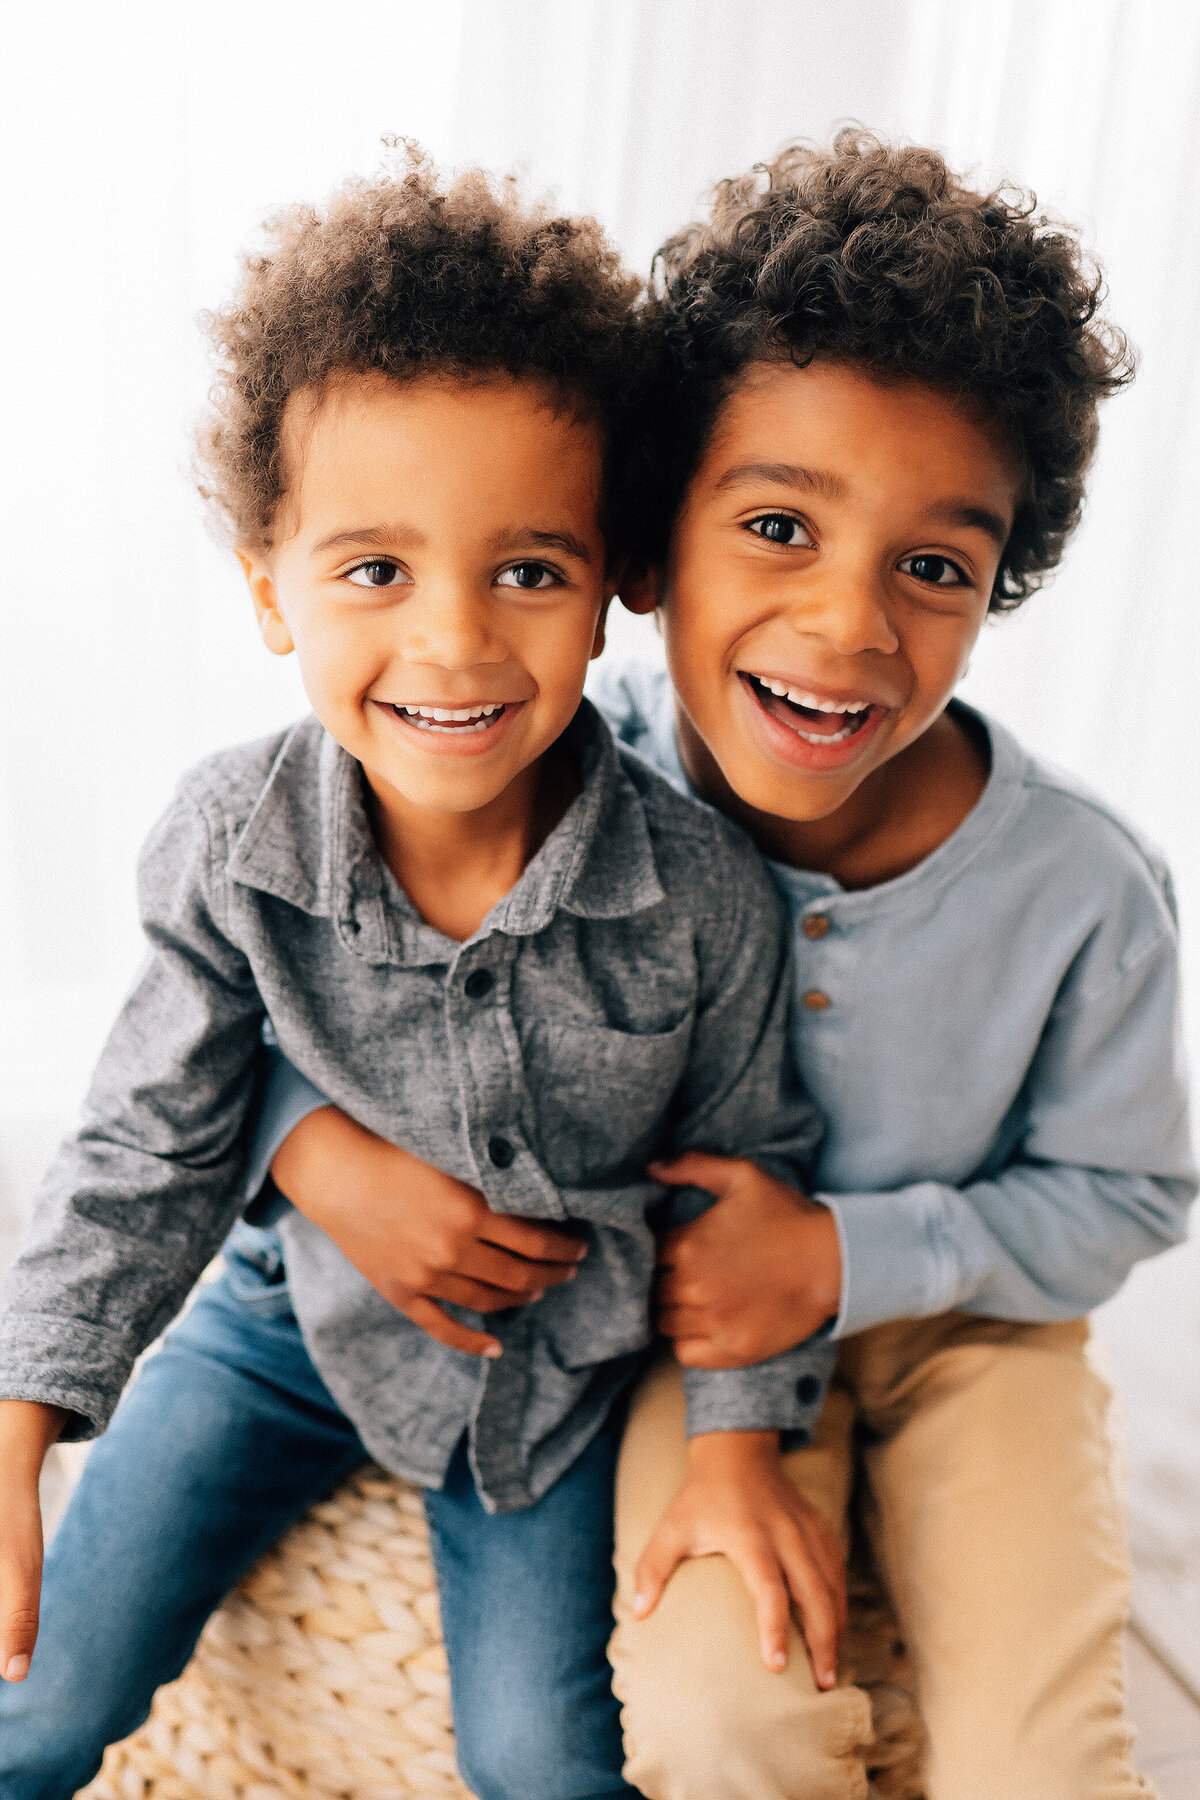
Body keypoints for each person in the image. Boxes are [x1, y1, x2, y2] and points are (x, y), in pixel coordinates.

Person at [243, 135, 1196, 1799]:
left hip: (981, 1329)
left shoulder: (1081, 889)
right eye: (776, 526)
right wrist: (312, 1156)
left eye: (935, 568)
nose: (849, 626)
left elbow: (1130, 1190)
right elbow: (293, 981)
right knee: (717, 1719)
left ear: (994, 589)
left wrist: (846, 1256)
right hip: (684, 1338)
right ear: (645, 549)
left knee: (1045, 1758)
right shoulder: (538, 779)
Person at [0, 150, 847, 1800]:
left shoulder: (702, 893)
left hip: (545, 1384)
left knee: (539, 1763)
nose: (456, 641)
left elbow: (750, 1180)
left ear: (611, 586)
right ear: (270, 589)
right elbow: (143, 1142)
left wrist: (740, 1439)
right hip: (276, 1326)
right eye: (374, 569)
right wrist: (25, 1414)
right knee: (38, 1698)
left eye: (528, 569)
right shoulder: (230, 845)